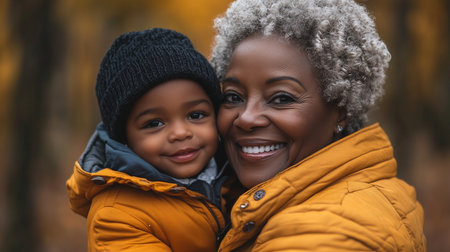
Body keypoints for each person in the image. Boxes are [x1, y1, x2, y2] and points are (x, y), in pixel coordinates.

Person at [210, 0, 426, 251]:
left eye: (281, 98)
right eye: (233, 96)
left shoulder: (328, 231)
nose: (246, 118)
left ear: (341, 111)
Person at [66, 28, 229, 251]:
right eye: (154, 123)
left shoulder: (239, 172)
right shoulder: (116, 216)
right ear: (124, 138)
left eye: (196, 115)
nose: (180, 133)